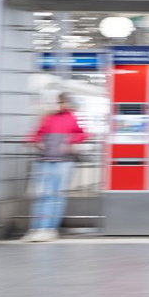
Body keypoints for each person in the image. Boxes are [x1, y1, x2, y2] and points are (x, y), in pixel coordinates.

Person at [25, 93, 88, 242]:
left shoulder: (72, 117)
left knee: (55, 195)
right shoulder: (47, 118)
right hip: (46, 160)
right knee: (43, 195)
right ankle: (36, 228)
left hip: (63, 161)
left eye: (61, 102)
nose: (59, 105)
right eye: (58, 102)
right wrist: (35, 141)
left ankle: (48, 229)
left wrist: (70, 141)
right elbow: (35, 134)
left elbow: (83, 134)